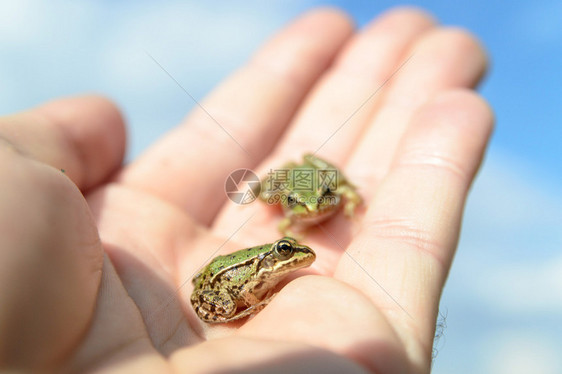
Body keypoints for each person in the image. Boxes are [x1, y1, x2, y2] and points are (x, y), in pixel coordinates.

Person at [0, 6, 493, 373]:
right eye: (285, 248)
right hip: (219, 283)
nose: (293, 247)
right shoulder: (278, 234)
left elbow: (323, 199)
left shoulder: (323, 193)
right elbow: (250, 270)